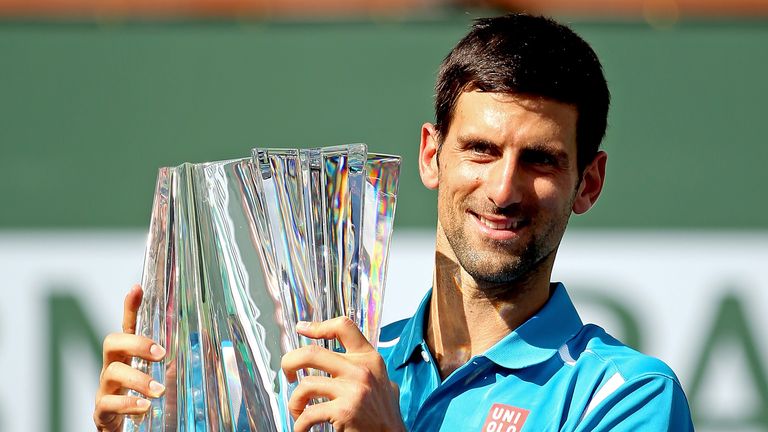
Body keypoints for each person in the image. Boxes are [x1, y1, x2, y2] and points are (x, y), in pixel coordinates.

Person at [94, 13, 694, 432]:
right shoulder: (325, 365)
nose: (504, 188)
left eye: (540, 160)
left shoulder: (622, 397)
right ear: (432, 155)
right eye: (481, 150)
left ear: (587, 183)